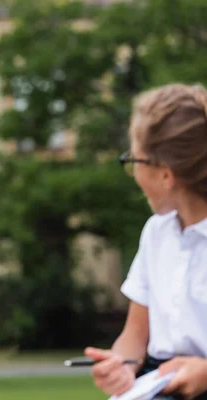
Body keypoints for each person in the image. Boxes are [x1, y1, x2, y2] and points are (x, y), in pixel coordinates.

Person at [85, 83, 207, 400]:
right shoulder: (156, 232)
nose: (133, 174)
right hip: (156, 383)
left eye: (134, 161)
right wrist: (122, 365)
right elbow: (134, 337)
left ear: (166, 175)